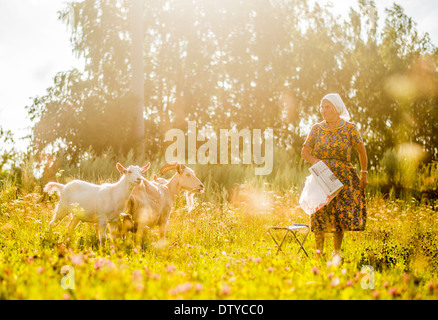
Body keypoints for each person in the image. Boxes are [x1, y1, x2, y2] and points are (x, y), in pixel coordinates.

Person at [301, 93, 368, 262]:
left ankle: (336, 252)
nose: (323, 111)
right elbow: (305, 152)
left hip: (343, 177)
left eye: (327, 107)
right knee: (319, 212)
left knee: (339, 214)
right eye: (321, 107)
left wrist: (364, 174)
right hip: (321, 176)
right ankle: (319, 252)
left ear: (337, 108)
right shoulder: (317, 128)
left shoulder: (349, 128)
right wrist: (316, 161)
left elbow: (361, 151)